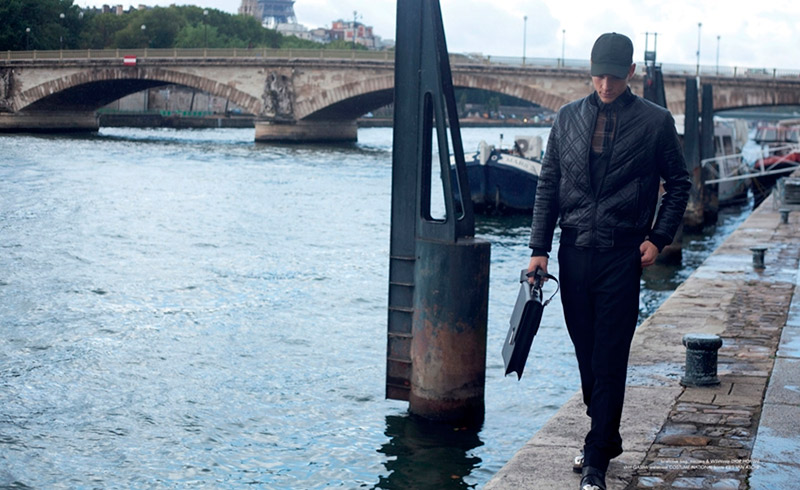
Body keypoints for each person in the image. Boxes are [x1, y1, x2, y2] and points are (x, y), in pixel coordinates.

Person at [527, 32, 691, 490]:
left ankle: (596, 458)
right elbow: (548, 185)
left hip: (623, 254)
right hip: (574, 251)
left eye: (614, 77)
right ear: (590, 70)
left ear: (631, 73)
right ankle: (606, 432)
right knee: (586, 353)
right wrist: (539, 249)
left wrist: (658, 238)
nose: (605, 85)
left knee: (610, 355)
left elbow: (679, 184)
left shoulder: (656, 122)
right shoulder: (567, 118)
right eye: (599, 76)